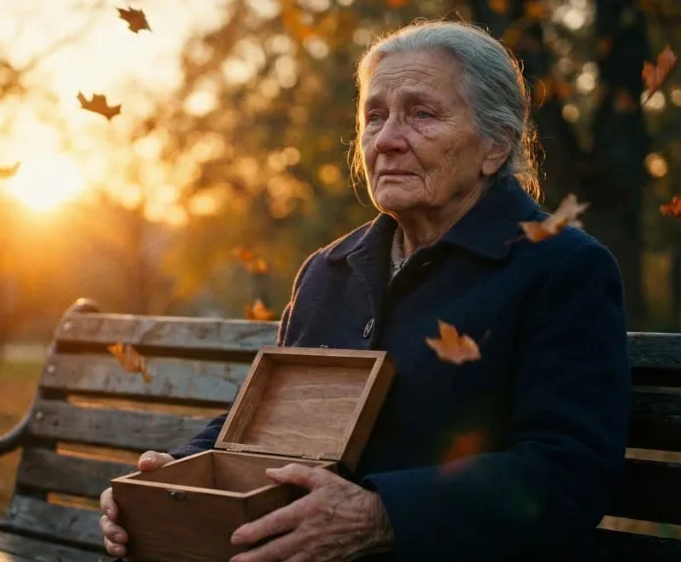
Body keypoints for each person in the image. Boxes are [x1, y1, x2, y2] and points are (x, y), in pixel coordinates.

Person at [99, 18, 631, 562]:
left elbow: (569, 472)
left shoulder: (561, 268)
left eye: (421, 114)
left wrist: (382, 515)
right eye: (374, 116)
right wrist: (171, 480)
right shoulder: (329, 271)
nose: (387, 139)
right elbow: (262, 425)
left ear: (495, 146)